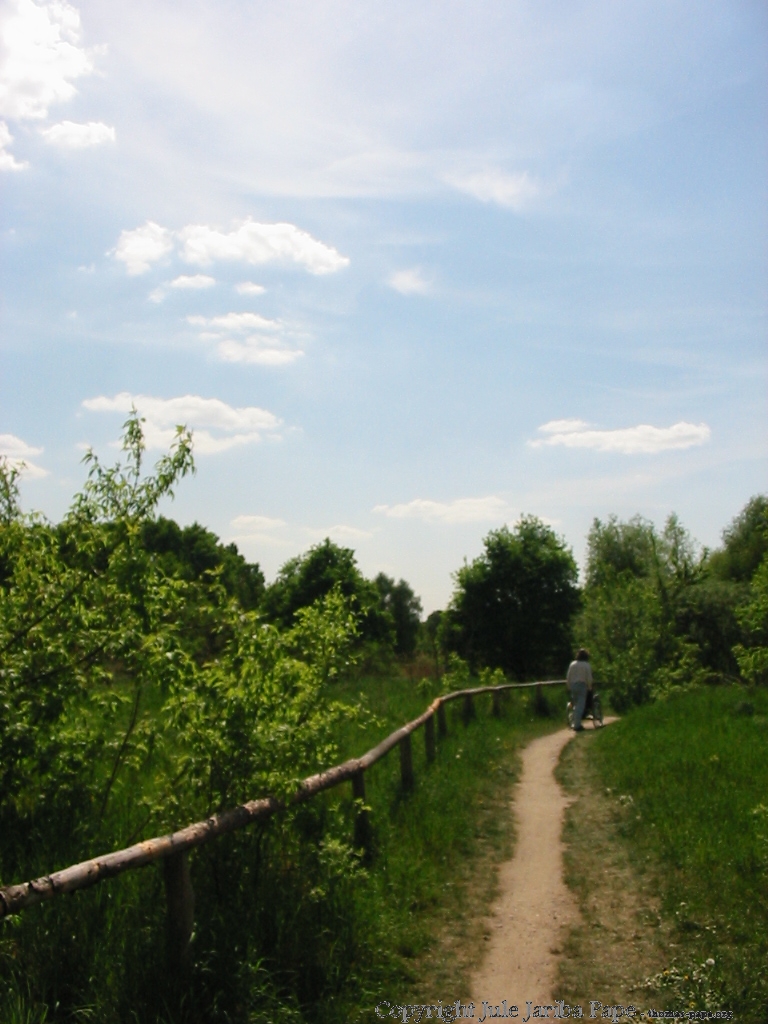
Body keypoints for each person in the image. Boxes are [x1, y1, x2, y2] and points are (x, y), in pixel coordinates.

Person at [567, 648, 593, 732]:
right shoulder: (586, 665)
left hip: (573, 685)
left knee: (575, 704)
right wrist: (590, 687)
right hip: (582, 685)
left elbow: (569, 676)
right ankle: (577, 725)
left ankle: (574, 721)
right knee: (580, 705)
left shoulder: (573, 664)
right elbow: (589, 678)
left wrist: (569, 686)